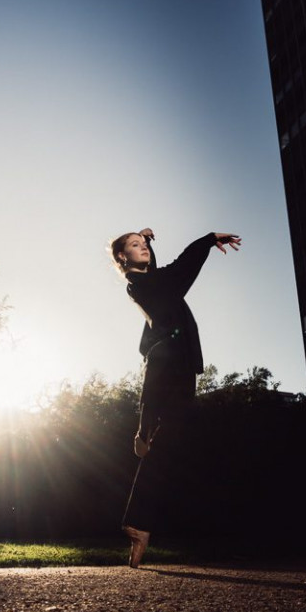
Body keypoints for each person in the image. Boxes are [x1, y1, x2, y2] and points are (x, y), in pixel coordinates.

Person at [110, 227, 241, 567]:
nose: (145, 249)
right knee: (172, 438)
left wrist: (146, 238)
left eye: (144, 246)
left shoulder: (146, 281)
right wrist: (209, 238)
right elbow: (181, 269)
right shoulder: (142, 284)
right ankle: (138, 521)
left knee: (174, 439)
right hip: (168, 360)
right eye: (135, 247)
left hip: (173, 361)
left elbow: (154, 268)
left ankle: (140, 524)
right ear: (122, 257)